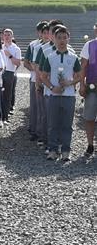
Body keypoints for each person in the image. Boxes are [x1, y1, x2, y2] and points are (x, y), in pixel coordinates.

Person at [39, 25, 81, 161]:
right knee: (53, 123)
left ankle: (66, 150)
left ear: (68, 39)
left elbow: (80, 76)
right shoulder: (50, 57)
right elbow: (43, 76)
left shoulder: (74, 58)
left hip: (69, 95)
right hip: (54, 95)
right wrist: (52, 88)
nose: (62, 40)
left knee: (67, 124)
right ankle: (52, 149)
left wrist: (70, 83)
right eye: (59, 38)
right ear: (54, 39)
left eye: (64, 37)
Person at [24, 22, 50, 144]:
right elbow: (30, 63)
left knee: (46, 108)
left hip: (49, 81)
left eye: (48, 32)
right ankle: (36, 130)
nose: (45, 35)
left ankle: (46, 132)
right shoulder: (35, 45)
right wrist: (36, 72)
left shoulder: (55, 46)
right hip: (36, 79)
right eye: (43, 32)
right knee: (36, 107)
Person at [79, 24, 97, 156]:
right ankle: (90, 144)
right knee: (89, 117)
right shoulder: (89, 45)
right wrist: (81, 84)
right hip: (93, 86)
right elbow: (83, 66)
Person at [0, 28, 21, 119]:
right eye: (5, 35)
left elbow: (18, 63)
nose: (7, 37)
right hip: (0, 72)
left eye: (9, 35)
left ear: (12, 36)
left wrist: (10, 55)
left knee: (8, 94)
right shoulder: (0, 47)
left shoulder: (16, 48)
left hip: (9, 72)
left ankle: (5, 115)